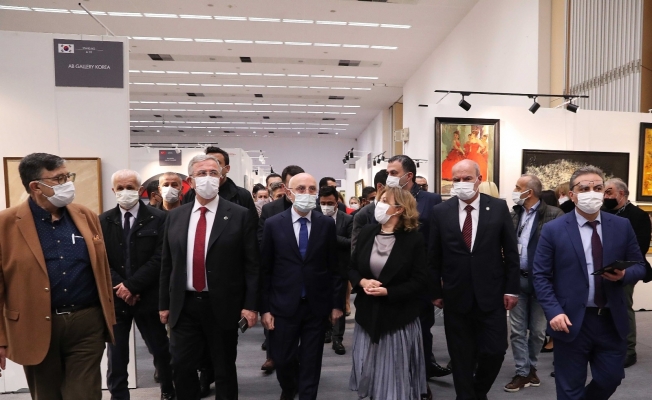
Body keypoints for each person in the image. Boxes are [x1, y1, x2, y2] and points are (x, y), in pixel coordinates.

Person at [0, 153, 116, 399]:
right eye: (59, 178)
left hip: (86, 322)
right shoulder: (5, 223)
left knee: (85, 394)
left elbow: (102, 269)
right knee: (46, 394)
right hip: (35, 324)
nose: (67, 183)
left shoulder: (85, 215)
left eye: (68, 176)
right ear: (35, 186)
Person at [533, 166, 646, 400]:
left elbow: (640, 265)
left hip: (610, 319)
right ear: (572, 195)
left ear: (604, 192)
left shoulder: (621, 226)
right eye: (584, 189)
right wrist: (553, 311)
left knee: (611, 377)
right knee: (569, 386)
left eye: (597, 188)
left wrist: (624, 275)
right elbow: (541, 275)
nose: (591, 193)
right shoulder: (554, 230)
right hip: (570, 319)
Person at [159, 154, 260, 400]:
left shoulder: (239, 214)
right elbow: (167, 263)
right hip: (184, 305)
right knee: (181, 366)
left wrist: (250, 305)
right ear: (190, 181)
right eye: (201, 173)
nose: (208, 178)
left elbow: (252, 265)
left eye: (213, 173)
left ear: (221, 177)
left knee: (223, 368)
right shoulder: (175, 216)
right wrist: (163, 304)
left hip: (223, 304)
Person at [429, 159, 520, 400]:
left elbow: (511, 252)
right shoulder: (441, 211)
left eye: (467, 178)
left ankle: (478, 393)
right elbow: (433, 255)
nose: (461, 183)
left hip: (491, 294)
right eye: (456, 179)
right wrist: (434, 291)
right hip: (455, 295)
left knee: (495, 351)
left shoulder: (498, 207)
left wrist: (512, 289)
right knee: (460, 356)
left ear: (479, 179)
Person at [260, 173, 343, 400]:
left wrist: (337, 304)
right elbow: (265, 270)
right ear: (289, 192)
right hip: (283, 305)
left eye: (312, 189)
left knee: (311, 361)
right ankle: (289, 389)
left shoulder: (326, 224)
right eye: (301, 189)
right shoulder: (273, 224)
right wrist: (265, 309)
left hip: (316, 306)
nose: (307, 193)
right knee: (282, 359)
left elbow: (334, 268)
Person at [349, 186, 430, 400]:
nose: (379, 204)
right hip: (367, 314)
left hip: (398, 317)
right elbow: (352, 267)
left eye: (386, 201)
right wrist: (362, 281)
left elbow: (420, 280)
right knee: (371, 372)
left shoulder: (413, 239)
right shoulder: (367, 232)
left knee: (394, 376)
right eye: (380, 199)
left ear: (400, 209)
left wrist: (388, 291)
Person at [100, 169, 174, 400]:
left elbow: (161, 257)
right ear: (113, 190)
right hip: (117, 297)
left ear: (140, 189)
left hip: (148, 296)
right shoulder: (102, 221)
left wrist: (133, 286)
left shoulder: (159, 218)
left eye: (130, 187)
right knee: (116, 354)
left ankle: (168, 390)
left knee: (160, 349)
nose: (125, 192)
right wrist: (122, 287)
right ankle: (119, 396)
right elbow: (101, 260)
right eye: (120, 188)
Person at [383, 155, 449, 380]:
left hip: (422, 273)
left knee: (422, 325)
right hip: (393, 274)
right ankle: (398, 374)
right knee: (395, 326)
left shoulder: (431, 200)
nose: (389, 177)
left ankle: (423, 372)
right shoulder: (386, 199)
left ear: (409, 175)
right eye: (388, 173)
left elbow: (438, 239)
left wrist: (438, 276)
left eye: (393, 173)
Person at [504, 175, 563, 393]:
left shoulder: (555, 214)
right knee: (517, 330)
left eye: (517, 187)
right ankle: (523, 371)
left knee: (538, 331)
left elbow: (561, 248)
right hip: (516, 279)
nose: (514, 190)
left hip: (542, 280)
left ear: (529, 192)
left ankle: (531, 368)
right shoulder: (514, 214)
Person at [257, 165, 305, 372]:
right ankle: (272, 356)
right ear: (286, 187)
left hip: (304, 280)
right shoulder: (271, 209)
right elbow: (262, 241)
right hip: (280, 275)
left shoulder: (312, 207)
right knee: (276, 326)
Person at [603, 178, 652, 368]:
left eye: (609, 192)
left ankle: (629, 350)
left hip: (626, 269)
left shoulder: (637, 215)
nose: (605, 196)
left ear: (621, 194)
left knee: (623, 306)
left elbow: (639, 247)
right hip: (603, 268)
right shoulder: (604, 212)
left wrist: (620, 268)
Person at [319, 185, 353, 355]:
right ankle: (326, 331)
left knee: (338, 302)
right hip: (319, 268)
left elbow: (351, 242)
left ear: (337, 202)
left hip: (340, 267)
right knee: (322, 301)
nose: (326, 206)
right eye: (323, 203)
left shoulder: (347, 219)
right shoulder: (315, 217)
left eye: (330, 203)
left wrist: (331, 235)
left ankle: (338, 338)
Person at [351, 170, 388, 252]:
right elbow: (356, 248)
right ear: (380, 187)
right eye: (392, 188)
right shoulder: (362, 215)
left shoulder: (400, 210)